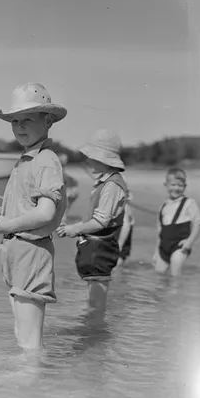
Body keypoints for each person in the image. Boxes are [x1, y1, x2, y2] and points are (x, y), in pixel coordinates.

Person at [0, 83, 67, 350]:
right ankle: (24, 387)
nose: (19, 126)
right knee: (21, 331)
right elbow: (26, 206)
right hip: (15, 251)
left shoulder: (46, 160)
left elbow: (46, 212)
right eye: (14, 121)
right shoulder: (26, 159)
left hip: (32, 252)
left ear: (48, 121)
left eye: (27, 119)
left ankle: (30, 380)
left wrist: (9, 224)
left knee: (29, 339)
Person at [56, 129, 127, 318]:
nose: (87, 161)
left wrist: (75, 228)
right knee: (93, 302)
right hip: (94, 248)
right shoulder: (104, 182)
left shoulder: (112, 185)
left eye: (90, 157)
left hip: (101, 251)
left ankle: (95, 337)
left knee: (96, 305)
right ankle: (93, 336)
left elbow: (101, 221)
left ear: (103, 160)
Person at [152, 167, 200, 277]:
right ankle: (163, 294)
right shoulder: (163, 206)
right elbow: (159, 231)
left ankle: (176, 292)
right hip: (163, 247)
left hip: (180, 246)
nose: (176, 188)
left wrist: (189, 242)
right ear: (166, 185)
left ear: (185, 187)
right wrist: (156, 252)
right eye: (173, 184)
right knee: (159, 275)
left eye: (180, 185)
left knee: (175, 272)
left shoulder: (189, 203)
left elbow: (197, 223)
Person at [116, 188, 135, 267]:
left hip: (119, 246)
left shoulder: (124, 208)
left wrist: (118, 247)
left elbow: (125, 227)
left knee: (116, 265)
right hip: (115, 244)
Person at [58, 153, 79, 221]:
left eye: (65, 159)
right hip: (70, 190)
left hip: (70, 190)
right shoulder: (61, 170)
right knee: (64, 209)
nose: (65, 161)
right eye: (63, 159)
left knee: (64, 209)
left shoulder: (62, 170)